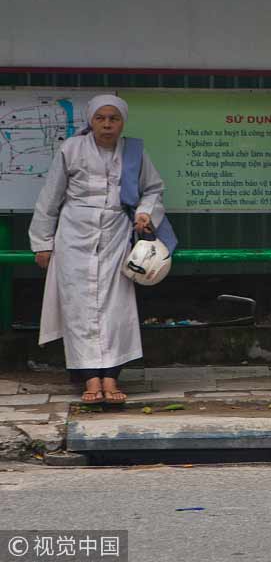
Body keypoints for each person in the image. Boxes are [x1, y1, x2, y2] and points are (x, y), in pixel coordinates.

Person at [29, 95, 168, 404]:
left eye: (113, 118)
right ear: (91, 121)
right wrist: (42, 242)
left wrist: (145, 212)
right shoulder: (71, 149)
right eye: (101, 118)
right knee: (78, 307)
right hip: (74, 236)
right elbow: (49, 199)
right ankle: (90, 379)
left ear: (122, 122)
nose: (107, 124)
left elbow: (154, 189)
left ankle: (111, 377)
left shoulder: (134, 152)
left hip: (116, 235)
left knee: (115, 306)